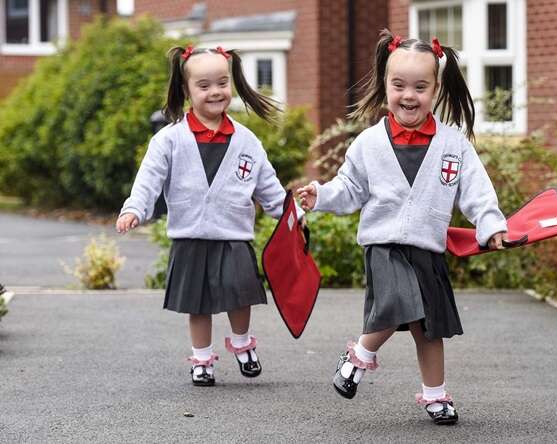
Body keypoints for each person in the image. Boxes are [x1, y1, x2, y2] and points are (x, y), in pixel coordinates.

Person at [297, 29, 509, 424]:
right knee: (398, 304)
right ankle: (360, 353)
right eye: (398, 86)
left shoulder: (453, 144)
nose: (408, 95)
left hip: (427, 248)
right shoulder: (367, 144)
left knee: (429, 328)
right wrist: (321, 195)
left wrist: (491, 225)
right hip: (384, 244)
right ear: (385, 85)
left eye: (420, 87)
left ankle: (435, 396)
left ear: (437, 89)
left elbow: (477, 192)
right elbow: (350, 188)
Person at [116, 45, 302, 386]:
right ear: (186, 90)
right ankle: (202, 360)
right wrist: (134, 209)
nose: (215, 91)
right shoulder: (169, 140)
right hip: (189, 235)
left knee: (240, 292)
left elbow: (270, 188)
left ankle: (243, 343)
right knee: (197, 304)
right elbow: (148, 181)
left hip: (233, 235)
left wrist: (293, 216)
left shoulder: (247, 142)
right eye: (204, 85)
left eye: (222, 83)